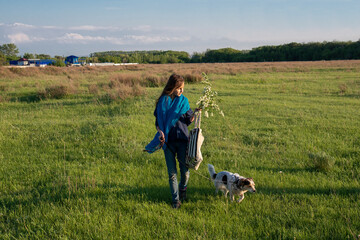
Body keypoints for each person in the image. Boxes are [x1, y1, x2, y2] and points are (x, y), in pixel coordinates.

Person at [145, 74, 199, 209]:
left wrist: (194, 115)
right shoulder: (162, 102)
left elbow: (187, 120)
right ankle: (176, 200)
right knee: (172, 174)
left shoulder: (184, 101)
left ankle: (183, 189)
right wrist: (160, 132)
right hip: (168, 142)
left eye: (183, 88)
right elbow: (158, 122)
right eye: (179, 88)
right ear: (172, 87)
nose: (181, 91)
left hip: (182, 141)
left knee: (185, 172)